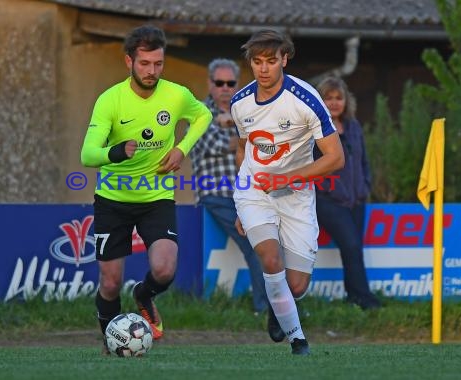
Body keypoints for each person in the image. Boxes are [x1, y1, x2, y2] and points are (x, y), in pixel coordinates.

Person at [80, 25, 212, 354]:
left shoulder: (176, 95)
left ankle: (144, 294)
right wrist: (116, 151)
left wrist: (182, 149)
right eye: (144, 64)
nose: (152, 71)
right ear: (129, 62)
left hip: (156, 197)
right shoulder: (110, 100)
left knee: (164, 269)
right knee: (109, 283)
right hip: (113, 200)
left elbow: (203, 115)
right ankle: (113, 345)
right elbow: (87, 154)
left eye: (158, 64)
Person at [231, 30, 345, 355]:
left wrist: (287, 179)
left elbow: (336, 157)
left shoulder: (305, 99)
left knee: (296, 285)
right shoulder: (241, 103)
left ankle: (277, 303)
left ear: (284, 59)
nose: (263, 69)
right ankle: (299, 342)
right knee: (270, 258)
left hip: (296, 197)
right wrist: (241, 205)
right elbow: (243, 152)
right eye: (256, 62)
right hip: (254, 191)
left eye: (270, 61)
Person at [189, 58, 268, 314]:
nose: (225, 88)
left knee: (271, 244)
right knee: (256, 245)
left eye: (230, 83)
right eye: (219, 82)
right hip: (217, 194)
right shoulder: (199, 113)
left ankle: (279, 307)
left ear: (237, 85)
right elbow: (219, 145)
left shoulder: (245, 111)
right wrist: (250, 133)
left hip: (249, 193)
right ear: (210, 84)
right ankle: (266, 310)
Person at [314, 76, 381, 310]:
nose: (334, 103)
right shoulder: (316, 129)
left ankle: (354, 296)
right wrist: (328, 189)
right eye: (328, 98)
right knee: (351, 245)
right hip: (329, 201)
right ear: (320, 101)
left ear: (346, 101)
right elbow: (312, 165)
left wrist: (365, 186)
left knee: (353, 248)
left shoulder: (353, 126)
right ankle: (364, 299)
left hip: (356, 200)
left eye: (338, 98)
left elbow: (364, 160)